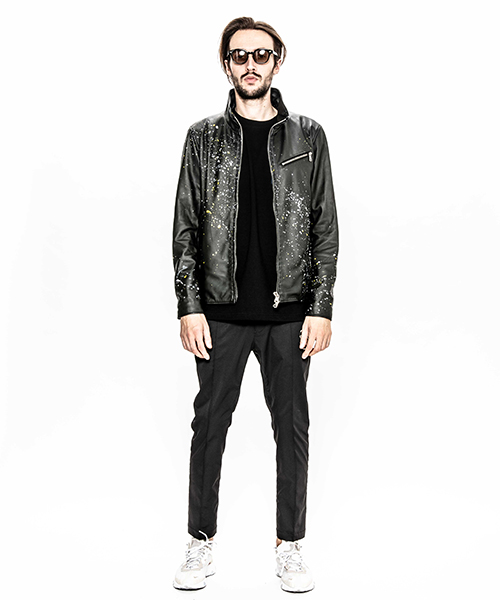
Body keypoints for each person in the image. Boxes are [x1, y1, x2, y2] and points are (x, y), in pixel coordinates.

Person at [172, 16, 338, 593]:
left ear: (277, 61)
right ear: (227, 65)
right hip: (219, 312)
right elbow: (186, 228)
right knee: (209, 426)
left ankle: (291, 545)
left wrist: (321, 306)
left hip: (290, 313)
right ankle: (200, 539)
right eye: (239, 55)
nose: (250, 64)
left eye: (260, 55)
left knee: (292, 429)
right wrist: (189, 305)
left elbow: (324, 227)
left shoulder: (308, 136)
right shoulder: (202, 138)